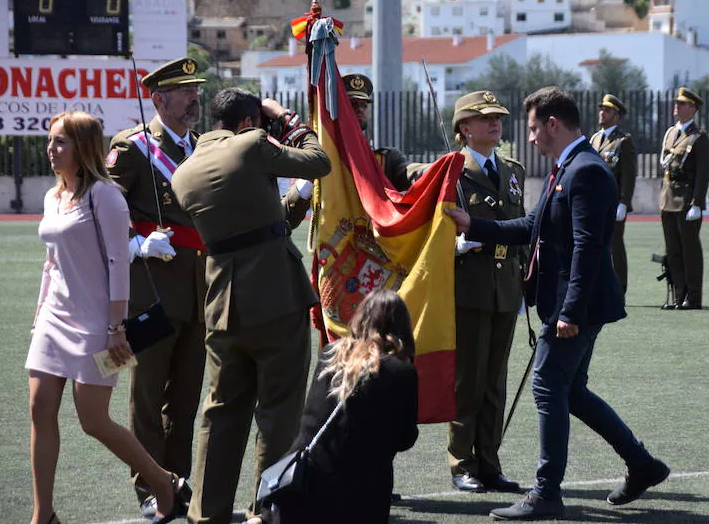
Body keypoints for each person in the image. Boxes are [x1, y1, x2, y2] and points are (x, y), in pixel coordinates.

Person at [445, 87, 668, 521]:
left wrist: (569, 312)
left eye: (532, 128)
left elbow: (587, 246)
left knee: (548, 386)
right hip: (572, 303)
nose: (528, 138)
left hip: (575, 307)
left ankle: (547, 492)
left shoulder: (585, 170)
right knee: (573, 393)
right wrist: (475, 224)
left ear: (552, 124)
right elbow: (532, 224)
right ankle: (642, 464)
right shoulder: (567, 167)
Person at [170, 87, 331, 524]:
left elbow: (240, 225)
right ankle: (269, 508)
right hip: (276, 299)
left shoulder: (183, 173)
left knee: (221, 412)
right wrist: (289, 119)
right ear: (247, 122)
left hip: (222, 306)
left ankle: (207, 512)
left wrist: (283, 209)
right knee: (279, 412)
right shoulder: (252, 143)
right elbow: (319, 162)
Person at [26, 112, 190, 524]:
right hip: (53, 318)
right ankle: (43, 515)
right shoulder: (52, 197)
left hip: (100, 322)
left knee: (93, 420)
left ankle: (163, 481)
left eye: (60, 142)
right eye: (50, 141)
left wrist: (116, 328)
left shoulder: (106, 196)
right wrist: (39, 310)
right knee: (39, 406)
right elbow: (51, 262)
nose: (51, 149)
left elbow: (119, 263)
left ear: (83, 147)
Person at [106, 57, 208, 518]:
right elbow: (101, 212)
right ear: (158, 98)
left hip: (201, 292)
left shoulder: (205, 148)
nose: (195, 99)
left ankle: (177, 482)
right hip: (150, 292)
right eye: (186, 91)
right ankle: (149, 488)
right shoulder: (132, 149)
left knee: (186, 397)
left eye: (197, 90)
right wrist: (136, 243)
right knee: (147, 396)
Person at [272, 289, 419, 524]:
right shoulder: (400, 372)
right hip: (360, 494)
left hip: (304, 481)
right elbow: (405, 439)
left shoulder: (330, 354)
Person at [447, 91, 525, 494]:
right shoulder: (451, 171)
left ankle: (490, 463)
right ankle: (463, 463)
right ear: (464, 129)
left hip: (505, 288)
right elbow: (433, 231)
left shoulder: (513, 170)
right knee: (469, 380)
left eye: (497, 117)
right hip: (469, 286)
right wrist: (453, 246)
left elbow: (521, 228)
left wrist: (525, 281)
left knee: (496, 381)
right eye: (484, 118)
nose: (494, 123)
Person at [283, 73, 420, 221]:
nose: (360, 109)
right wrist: (309, 178)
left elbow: (411, 172)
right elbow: (289, 216)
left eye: (364, 105)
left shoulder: (386, 160)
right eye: (353, 104)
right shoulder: (318, 157)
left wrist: (442, 167)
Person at [659, 87, 709, 310]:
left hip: (687, 199)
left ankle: (694, 297)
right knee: (673, 250)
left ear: (693, 108)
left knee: (690, 250)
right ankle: (678, 296)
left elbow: (703, 173)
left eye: (682, 103)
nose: (676, 106)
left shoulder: (699, 138)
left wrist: (697, 203)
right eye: (677, 102)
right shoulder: (671, 133)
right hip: (668, 198)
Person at [590, 94, 636, 296]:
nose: (602, 113)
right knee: (596, 246)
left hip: (613, 202)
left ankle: (619, 288)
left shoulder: (623, 141)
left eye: (607, 110)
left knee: (615, 246)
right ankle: (600, 286)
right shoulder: (594, 138)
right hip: (595, 202)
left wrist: (624, 202)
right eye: (601, 109)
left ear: (616, 116)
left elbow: (629, 174)